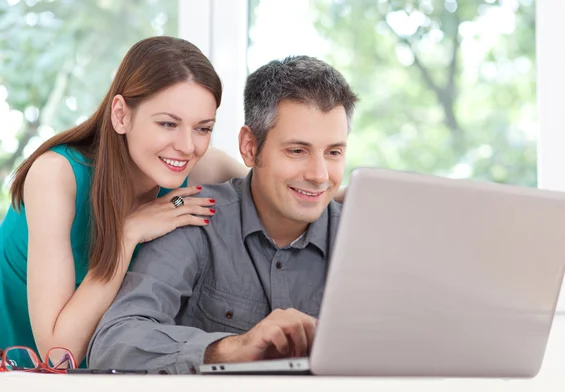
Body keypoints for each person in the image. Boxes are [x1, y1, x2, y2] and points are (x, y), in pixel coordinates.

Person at [87, 55, 359, 374]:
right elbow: (114, 343)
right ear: (249, 147)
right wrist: (231, 348)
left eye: (334, 152)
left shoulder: (362, 237)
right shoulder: (194, 217)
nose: (319, 174)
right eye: (297, 151)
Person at [0, 36, 250, 365]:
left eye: (203, 128)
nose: (187, 146)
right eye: (167, 124)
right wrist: (129, 233)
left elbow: (281, 191)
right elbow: (58, 355)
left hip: (106, 373)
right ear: (121, 115)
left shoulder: (203, 167)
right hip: (19, 371)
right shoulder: (56, 176)